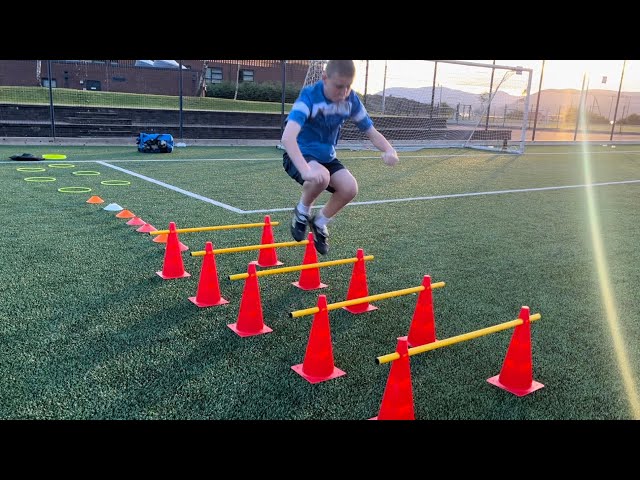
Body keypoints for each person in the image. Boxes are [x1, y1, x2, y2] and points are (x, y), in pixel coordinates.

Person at [281, 60, 399, 255]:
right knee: (322, 176)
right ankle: (302, 212)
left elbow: (370, 131)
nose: (343, 92)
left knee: (350, 188)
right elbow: (287, 137)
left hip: (327, 157)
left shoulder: (350, 100)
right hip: (300, 154)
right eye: (338, 86)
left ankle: (319, 222)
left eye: (348, 86)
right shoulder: (309, 97)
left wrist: (388, 149)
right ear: (325, 78)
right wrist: (305, 170)